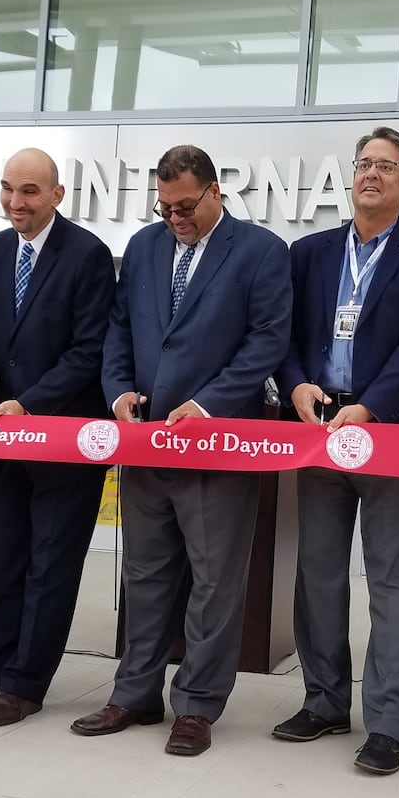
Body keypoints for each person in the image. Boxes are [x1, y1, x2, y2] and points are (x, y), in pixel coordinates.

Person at [70, 144, 289, 757]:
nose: (174, 218)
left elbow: (268, 339)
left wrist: (211, 403)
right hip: (145, 444)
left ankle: (196, 705)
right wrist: (116, 391)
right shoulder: (143, 247)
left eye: (186, 205)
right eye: (164, 207)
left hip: (216, 445)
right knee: (144, 576)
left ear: (216, 191)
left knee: (214, 582)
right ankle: (134, 693)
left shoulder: (261, 252)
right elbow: (120, 327)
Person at [272, 126, 399, 776]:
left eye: (386, 167)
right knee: (317, 575)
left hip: (390, 436)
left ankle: (386, 723)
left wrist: (371, 405)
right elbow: (285, 331)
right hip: (319, 429)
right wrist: (294, 383)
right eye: (363, 164)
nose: (370, 174)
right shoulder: (310, 251)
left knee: (394, 584)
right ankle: (322, 701)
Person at [0, 147, 115, 726]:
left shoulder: (88, 255)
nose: (15, 202)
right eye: (9, 189)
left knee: (51, 566)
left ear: (57, 195)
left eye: (30, 192)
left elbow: (89, 351)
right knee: (4, 559)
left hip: (63, 440)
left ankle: (26, 683)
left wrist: (30, 402)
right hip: (5, 439)